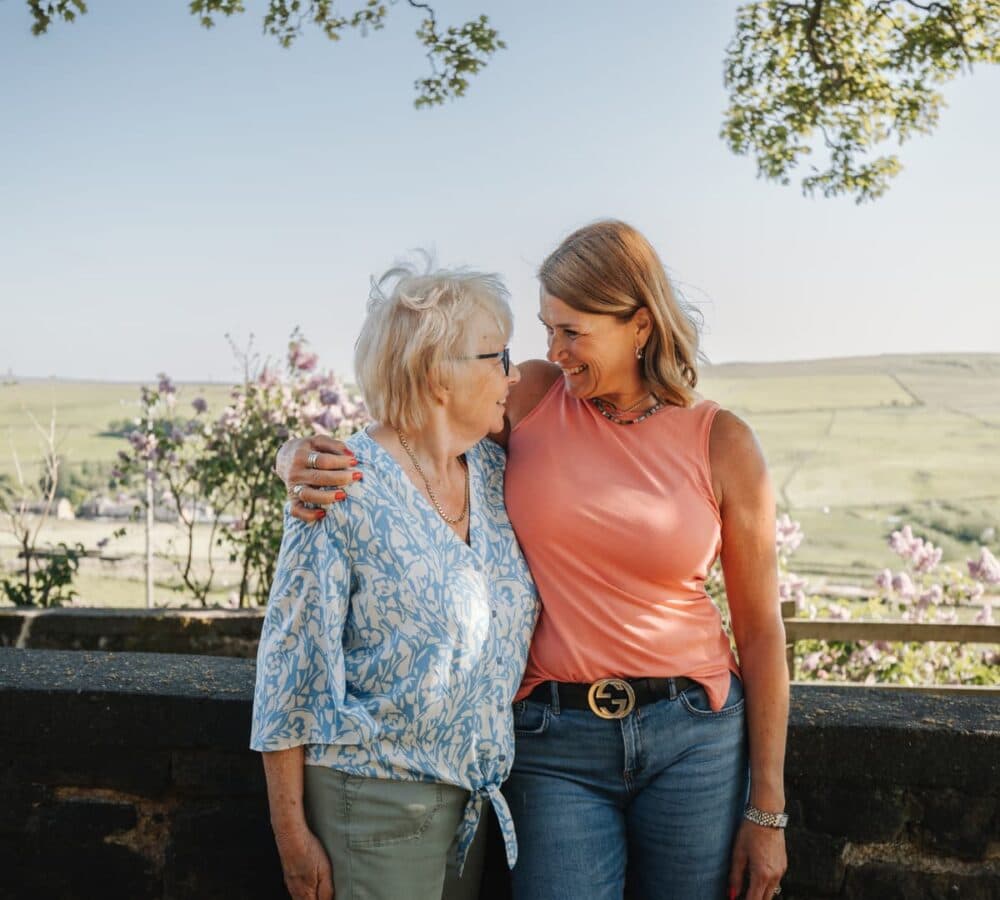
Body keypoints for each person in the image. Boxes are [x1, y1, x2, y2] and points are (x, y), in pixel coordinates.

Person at [277, 220, 790, 900]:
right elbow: (409, 415)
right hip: (552, 741)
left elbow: (760, 634)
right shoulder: (536, 395)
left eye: (572, 332)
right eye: (546, 329)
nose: (553, 351)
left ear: (639, 324)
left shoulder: (723, 442)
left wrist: (768, 809)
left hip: (693, 737)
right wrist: (293, 457)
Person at [251, 264, 539, 900]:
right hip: (370, 802)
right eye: (500, 357)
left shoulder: (493, 471)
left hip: (472, 803)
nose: (514, 375)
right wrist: (290, 833)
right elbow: (289, 669)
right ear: (439, 372)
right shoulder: (340, 483)